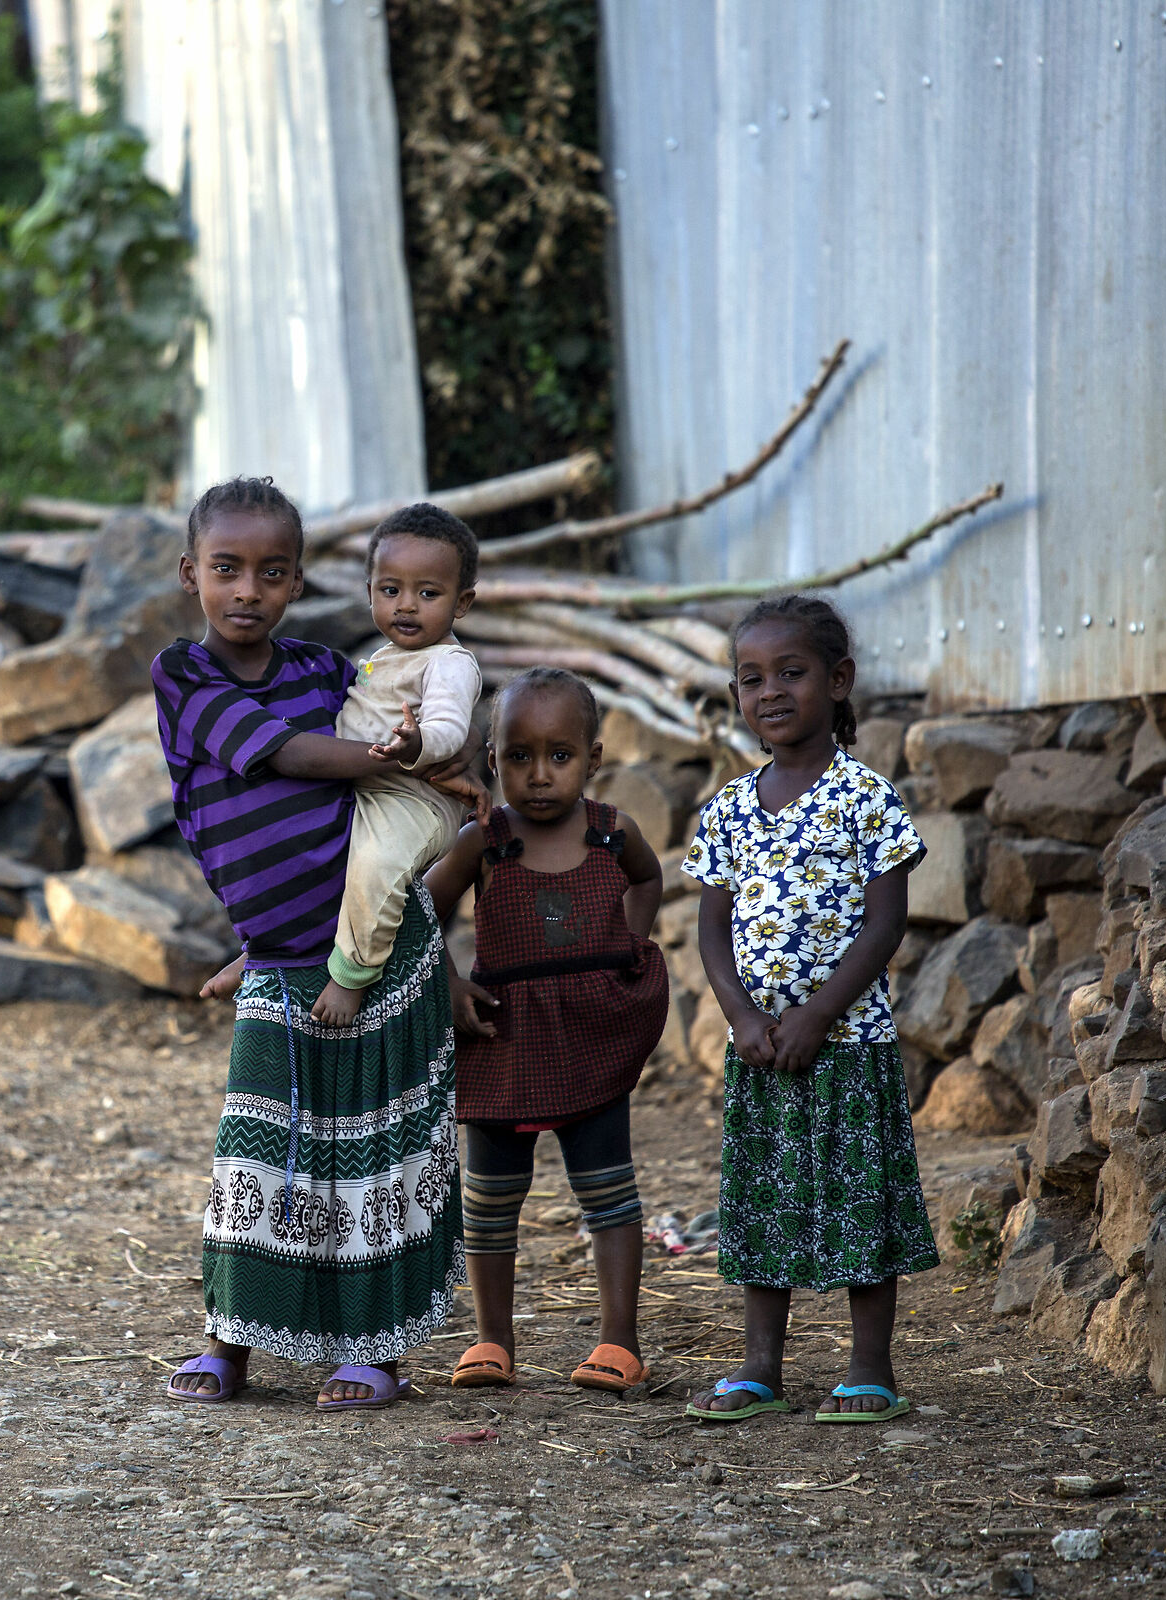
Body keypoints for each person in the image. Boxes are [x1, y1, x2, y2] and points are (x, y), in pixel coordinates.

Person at [151, 477, 485, 1411]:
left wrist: (440, 761)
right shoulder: (185, 677)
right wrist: (401, 761)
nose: (247, 590)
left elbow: (399, 806)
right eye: (227, 570)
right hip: (280, 956)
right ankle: (231, 1342)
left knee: (376, 1153)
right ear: (191, 575)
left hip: (378, 949)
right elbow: (286, 754)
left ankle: (373, 1351)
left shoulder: (328, 673)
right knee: (260, 1149)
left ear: (298, 582)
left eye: (271, 572)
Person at [680, 592, 935, 1423]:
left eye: (791, 672)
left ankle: (870, 1370)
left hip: (847, 1044)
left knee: (860, 1201)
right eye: (751, 679)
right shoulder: (727, 808)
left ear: (839, 680)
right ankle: (760, 1369)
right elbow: (710, 928)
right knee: (762, 1206)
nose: (771, 692)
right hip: (759, 1050)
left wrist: (820, 1013)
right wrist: (744, 1018)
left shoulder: (866, 797)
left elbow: (886, 921)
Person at [416, 667, 668, 1392]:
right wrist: (450, 982)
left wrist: (631, 941)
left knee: (608, 1191)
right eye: (519, 756)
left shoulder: (613, 835)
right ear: (492, 761)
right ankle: (492, 1340)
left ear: (593, 755)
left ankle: (620, 1341)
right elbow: (413, 917)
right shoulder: (482, 841)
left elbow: (649, 880)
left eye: (560, 756)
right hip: (504, 1040)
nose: (539, 775)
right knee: (491, 1198)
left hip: (591, 1035)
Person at [310, 503, 485, 1027]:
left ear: (462, 603)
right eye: (390, 591)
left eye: (428, 594)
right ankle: (259, 949)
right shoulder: (382, 656)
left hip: (413, 800)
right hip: (363, 789)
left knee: (376, 869)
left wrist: (417, 744)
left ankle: (351, 977)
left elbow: (452, 727)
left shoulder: (449, 663)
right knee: (306, 853)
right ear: (369, 591)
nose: (406, 606)